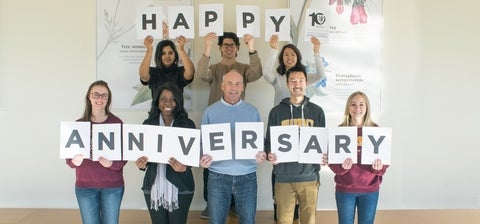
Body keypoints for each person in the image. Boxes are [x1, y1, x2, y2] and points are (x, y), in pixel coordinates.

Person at [196, 31, 263, 218]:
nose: (228, 47)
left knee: (237, 154)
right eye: (225, 45)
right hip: (216, 123)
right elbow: (201, 73)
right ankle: (213, 203)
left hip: (240, 121)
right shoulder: (215, 68)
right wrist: (206, 47)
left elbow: (257, 73)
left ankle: (234, 204)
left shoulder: (243, 68)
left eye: (232, 44)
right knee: (212, 164)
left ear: (237, 47)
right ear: (220, 48)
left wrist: (251, 47)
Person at [263, 34, 326, 221]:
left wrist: (316, 52)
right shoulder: (278, 84)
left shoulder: (316, 111)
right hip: (283, 172)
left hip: (308, 174)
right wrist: (269, 153)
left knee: (308, 218)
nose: (297, 85)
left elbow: (322, 142)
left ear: (306, 82)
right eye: (293, 81)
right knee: (283, 218)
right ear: (287, 82)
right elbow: (269, 141)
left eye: (300, 81)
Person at [66, 80, 127, 224]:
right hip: (85, 187)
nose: (100, 99)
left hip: (112, 186)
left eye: (104, 95)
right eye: (96, 94)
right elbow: (69, 159)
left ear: (108, 99)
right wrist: (73, 161)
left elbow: (125, 156)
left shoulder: (117, 123)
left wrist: (112, 163)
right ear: (89, 97)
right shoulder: (78, 125)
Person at [135, 82, 196, 224]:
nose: (168, 102)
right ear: (157, 101)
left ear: (178, 101)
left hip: (181, 187)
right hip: (153, 186)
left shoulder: (188, 124)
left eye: (172, 98)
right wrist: (141, 164)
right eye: (163, 99)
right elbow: (144, 156)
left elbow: (195, 156)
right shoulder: (148, 124)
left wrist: (185, 167)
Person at [327, 91, 389, 224]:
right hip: (345, 189)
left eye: (361, 104)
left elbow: (384, 162)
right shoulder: (339, 130)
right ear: (348, 108)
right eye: (353, 104)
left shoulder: (376, 130)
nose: (357, 108)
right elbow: (331, 162)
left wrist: (378, 168)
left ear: (367, 108)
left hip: (370, 191)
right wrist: (342, 168)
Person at [139, 31, 194, 116]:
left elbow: (190, 73)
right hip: (156, 115)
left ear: (175, 55)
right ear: (158, 56)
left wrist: (181, 49)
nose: (167, 56)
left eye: (170, 53)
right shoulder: (154, 72)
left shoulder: (180, 72)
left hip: (178, 115)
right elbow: (143, 75)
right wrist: (149, 51)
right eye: (163, 53)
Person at [263, 34, 326, 106]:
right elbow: (265, 73)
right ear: (282, 58)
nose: (289, 58)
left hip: (299, 115)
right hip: (281, 115)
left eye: (293, 54)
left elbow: (320, 75)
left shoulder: (303, 76)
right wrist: (274, 51)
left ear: (297, 58)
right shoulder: (277, 77)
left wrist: (316, 53)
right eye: (286, 55)